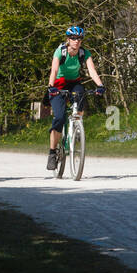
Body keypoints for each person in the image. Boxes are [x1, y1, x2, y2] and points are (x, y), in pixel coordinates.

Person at [46, 25, 105, 170]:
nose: (76, 41)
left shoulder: (84, 53)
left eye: (79, 38)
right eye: (73, 38)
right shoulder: (61, 51)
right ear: (68, 39)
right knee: (59, 118)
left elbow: (92, 70)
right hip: (58, 85)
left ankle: (77, 128)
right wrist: (50, 86)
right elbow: (54, 69)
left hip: (74, 83)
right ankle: (52, 153)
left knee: (81, 96)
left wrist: (100, 85)